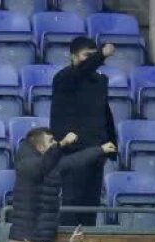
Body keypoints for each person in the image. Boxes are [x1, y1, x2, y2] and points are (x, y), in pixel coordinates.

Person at [6, 128, 114, 242]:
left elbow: (73, 162)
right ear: (40, 147)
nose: (55, 144)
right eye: (51, 141)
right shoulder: (26, 165)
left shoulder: (51, 164)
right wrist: (62, 145)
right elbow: (41, 167)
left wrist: (99, 150)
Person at [50, 37, 117, 226]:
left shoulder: (99, 81)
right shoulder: (64, 78)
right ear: (73, 57)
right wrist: (101, 55)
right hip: (73, 152)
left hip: (98, 151)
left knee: (91, 206)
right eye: (87, 56)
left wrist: (111, 143)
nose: (91, 60)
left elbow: (104, 112)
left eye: (93, 56)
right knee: (72, 204)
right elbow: (81, 71)